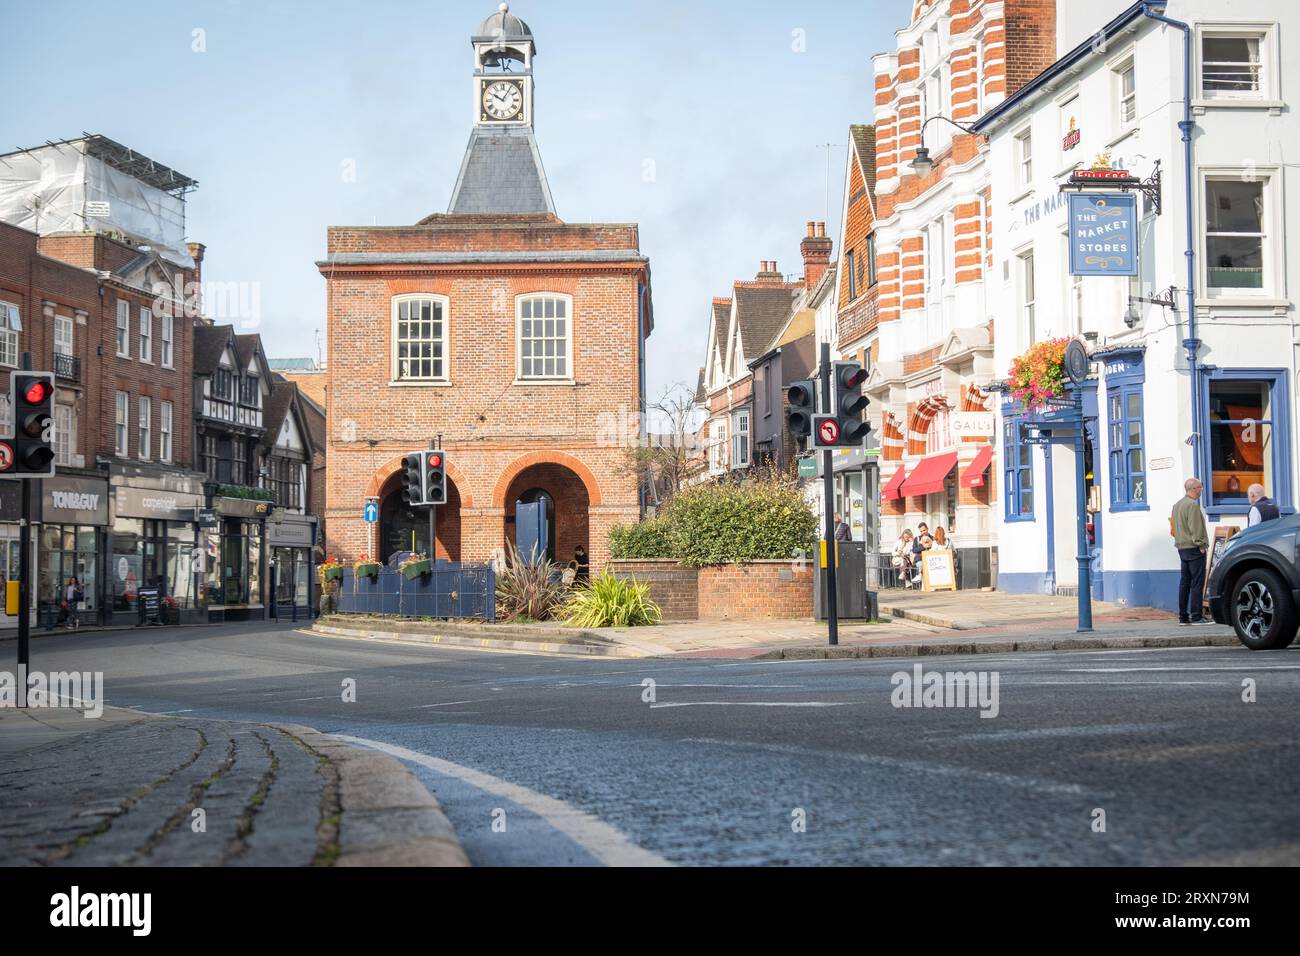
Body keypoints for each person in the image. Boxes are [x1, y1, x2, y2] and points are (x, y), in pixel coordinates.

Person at [1171, 477, 1212, 625]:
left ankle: (1183, 617)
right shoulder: (1192, 506)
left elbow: (1175, 527)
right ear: (1193, 489)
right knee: (1197, 582)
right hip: (1194, 548)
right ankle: (1196, 616)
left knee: (1185, 582)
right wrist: (1201, 545)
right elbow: (1196, 528)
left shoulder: (1177, 505)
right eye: (1200, 487)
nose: (1201, 490)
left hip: (1182, 547)